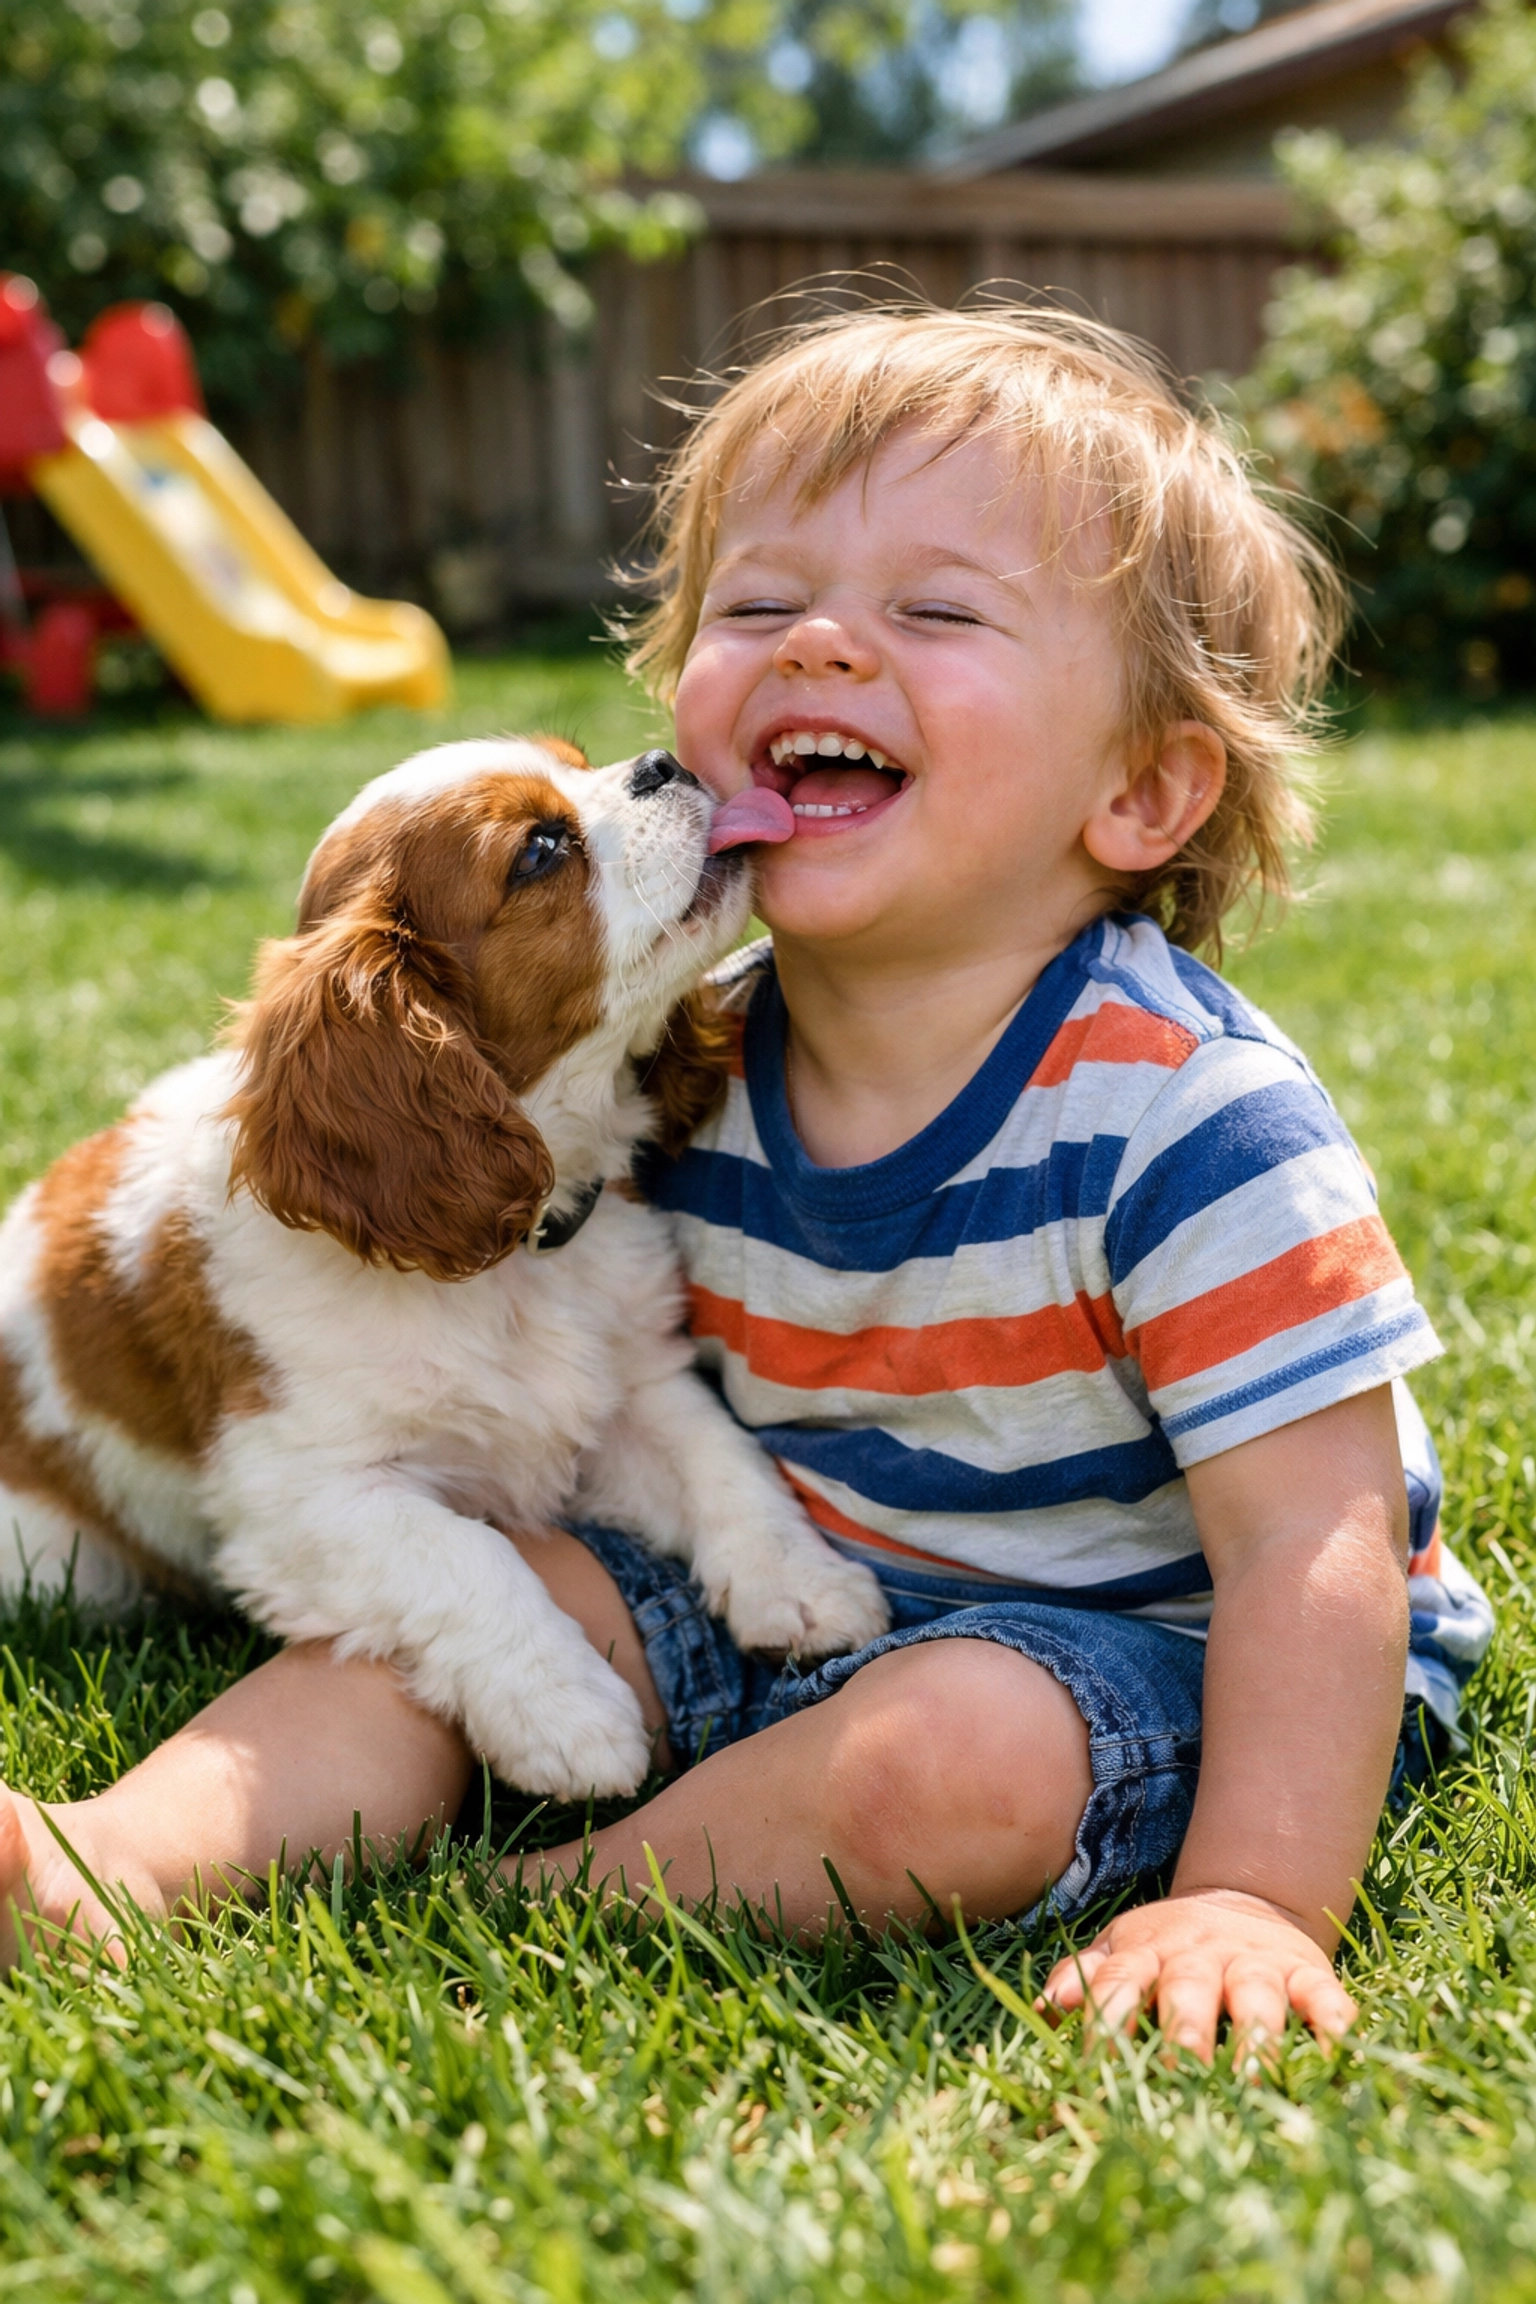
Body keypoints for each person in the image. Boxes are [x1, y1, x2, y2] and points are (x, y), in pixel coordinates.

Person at [0, 304, 1494, 2061]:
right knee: (466, 1602)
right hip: (781, 1596)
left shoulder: (1191, 1123)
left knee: (954, 1754)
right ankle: (108, 1871)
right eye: (759, 605)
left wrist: (1252, 1890)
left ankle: (549, 1904)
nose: (826, 648)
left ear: (1146, 788)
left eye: (934, 613)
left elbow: (1319, 1549)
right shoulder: (677, 1058)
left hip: (1142, 1654)